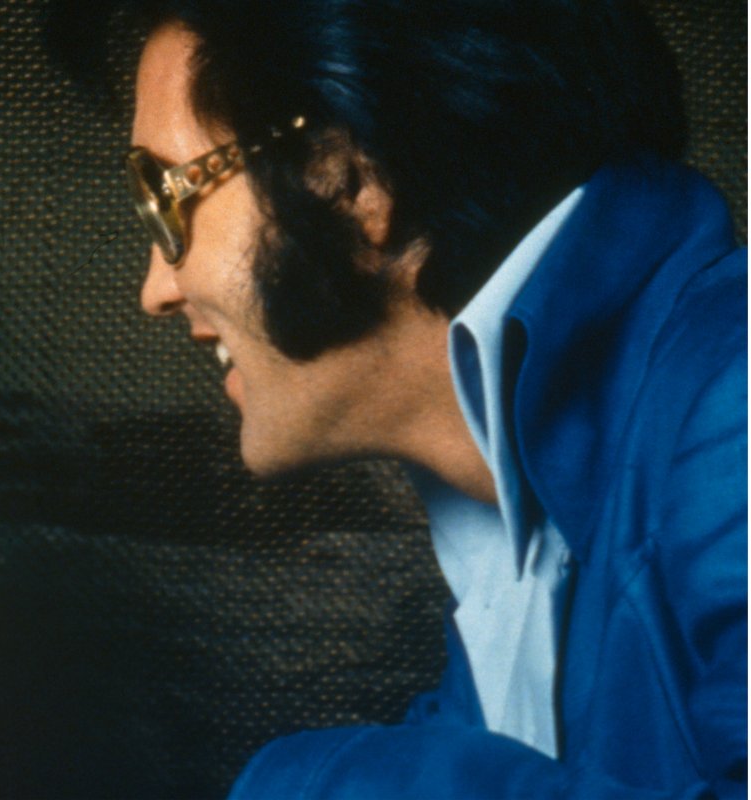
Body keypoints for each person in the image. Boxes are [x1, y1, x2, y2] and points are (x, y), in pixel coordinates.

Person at [110, 0, 745, 796]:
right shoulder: (510, 530)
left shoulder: (736, 404)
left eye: (164, 197)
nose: (155, 289)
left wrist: (316, 786)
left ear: (347, 180)